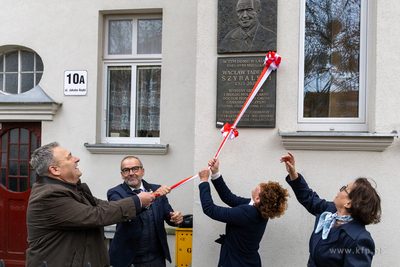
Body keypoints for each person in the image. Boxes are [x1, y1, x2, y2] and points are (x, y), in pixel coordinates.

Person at [26, 142, 160, 267]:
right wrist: (137, 201)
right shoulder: (49, 196)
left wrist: (142, 202)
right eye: (69, 157)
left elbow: (104, 207)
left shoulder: (74, 190)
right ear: (55, 170)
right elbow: (96, 215)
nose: (77, 159)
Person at [280, 151, 381, 267]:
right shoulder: (330, 212)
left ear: (349, 203)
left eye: (344, 188)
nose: (340, 188)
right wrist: (293, 173)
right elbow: (309, 198)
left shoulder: (359, 239)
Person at [198, 157, 289, 267]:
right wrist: (216, 172)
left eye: (261, 187)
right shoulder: (259, 209)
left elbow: (210, 209)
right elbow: (229, 198)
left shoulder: (247, 212)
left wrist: (203, 182)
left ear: (258, 199)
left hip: (236, 262)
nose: (259, 184)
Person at [107, 156, 183, 267]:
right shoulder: (115, 193)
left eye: (135, 169)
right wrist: (153, 197)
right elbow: (124, 212)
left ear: (142, 171)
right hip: (128, 259)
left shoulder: (156, 188)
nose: (131, 173)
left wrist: (176, 218)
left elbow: (169, 217)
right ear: (122, 175)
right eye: (126, 170)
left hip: (156, 258)